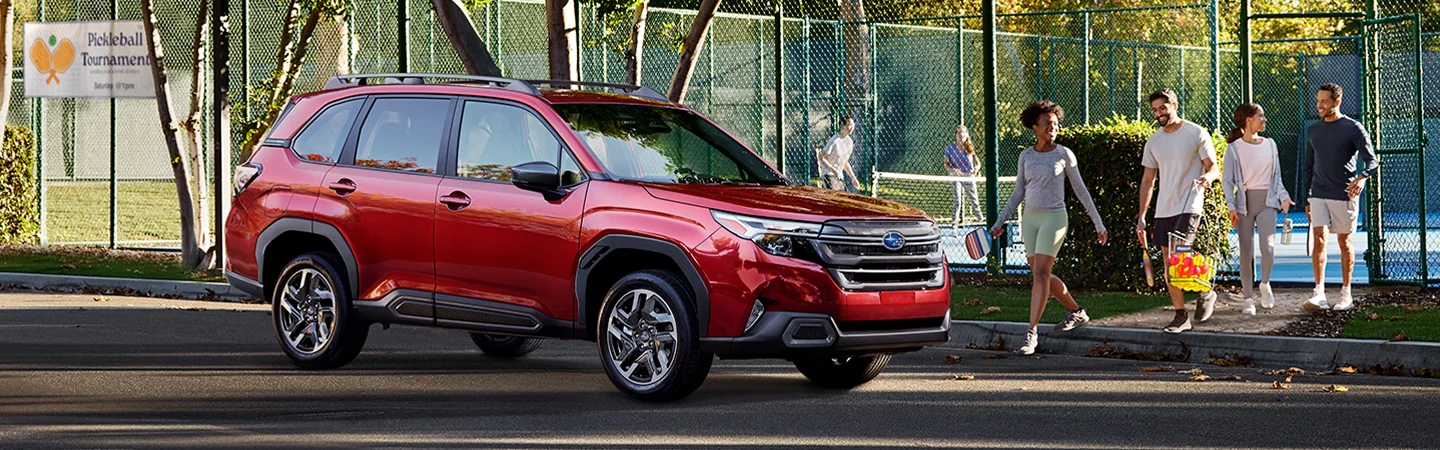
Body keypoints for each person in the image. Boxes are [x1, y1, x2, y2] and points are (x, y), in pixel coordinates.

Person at [989, 101, 1108, 355]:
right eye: (1046, 124)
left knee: (1042, 273)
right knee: (1039, 274)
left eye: (1055, 123)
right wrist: (1000, 222)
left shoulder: (1064, 154)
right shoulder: (1026, 156)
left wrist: (1098, 223)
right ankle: (1077, 312)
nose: (1052, 127)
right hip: (1030, 220)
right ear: (1035, 127)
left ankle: (1031, 333)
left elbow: (1081, 191)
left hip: (1055, 219)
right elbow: (1018, 192)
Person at [1136, 89, 1220, 334]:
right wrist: (1141, 216)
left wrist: (1207, 178)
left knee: (1178, 257)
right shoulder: (1154, 141)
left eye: (1163, 108)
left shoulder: (1195, 133)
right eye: (1155, 110)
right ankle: (1182, 314)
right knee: (1168, 261)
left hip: (1190, 205)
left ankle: (1203, 291)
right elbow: (1147, 181)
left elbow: (1213, 167)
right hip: (1164, 210)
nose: (1159, 113)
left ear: (1174, 105)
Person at [1302, 83, 1378, 312]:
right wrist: (1307, 199)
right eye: (1318, 101)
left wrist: (1362, 178)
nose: (1320, 105)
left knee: (1344, 243)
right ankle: (1319, 294)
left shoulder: (1353, 128)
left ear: (1337, 102)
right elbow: (1308, 167)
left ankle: (1346, 293)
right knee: (1319, 240)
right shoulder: (1313, 130)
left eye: (1324, 101)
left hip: (1344, 195)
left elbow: (1372, 161)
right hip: (1318, 195)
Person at [1220, 103, 1295, 315]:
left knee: (1268, 248)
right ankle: (1248, 299)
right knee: (1245, 252)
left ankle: (1265, 284)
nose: (1265, 120)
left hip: (1267, 203)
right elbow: (1228, 181)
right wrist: (1231, 206)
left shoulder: (1270, 145)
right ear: (1248, 120)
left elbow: (1277, 179)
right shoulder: (1233, 149)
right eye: (1261, 116)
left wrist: (1284, 197)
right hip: (1243, 206)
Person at [944, 124, 983, 227]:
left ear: (967, 135)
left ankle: (982, 222)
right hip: (955, 176)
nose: (962, 134)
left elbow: (978, 163)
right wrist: (953, 170)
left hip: (968, 176)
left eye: (964, 132)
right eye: (959, 132)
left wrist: (976, 169)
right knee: (958, 201)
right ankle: (954, 225)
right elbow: (946, 164)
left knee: (974, 200)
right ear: (956, 135)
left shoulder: (969, 147)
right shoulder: (950, 148)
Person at [818, 117, 861, 191]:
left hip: (839, 176)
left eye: (853, 125)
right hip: (829, 174)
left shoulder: (849, 142)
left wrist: (853, 178)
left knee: (844, 198)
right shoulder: (834, 140)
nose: (852, 127)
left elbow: (845, 163)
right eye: (849, 124)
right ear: (842, 125)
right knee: (835, 198)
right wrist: (833, 170)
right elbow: (821, 157)